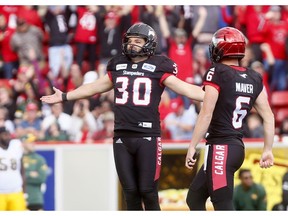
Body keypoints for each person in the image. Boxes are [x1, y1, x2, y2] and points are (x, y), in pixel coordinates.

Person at [40, 22, 204, 210]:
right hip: (122, 136)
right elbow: (95, 87)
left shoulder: (159, 65)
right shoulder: (118, 64)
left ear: (149, 43)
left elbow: (186, 89)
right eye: (130, 40)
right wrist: (64, 96)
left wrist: (213, 96)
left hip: (147, 136)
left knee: (148, 191)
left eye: (137, 40)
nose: (132, 44)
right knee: (130, 193)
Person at [185, 26, 275, 211]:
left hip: (221, 148)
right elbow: (268, 116)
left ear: (223, 48)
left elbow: (206, 112)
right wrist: (267, 149)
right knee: (194, 199)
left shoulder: (216, 71)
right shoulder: (253, 76)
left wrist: (192, 145)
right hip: (234, 147)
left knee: (223, 206)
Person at [0, 126, 27, 211]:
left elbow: (22, 170)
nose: (8, 137)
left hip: (16, 191)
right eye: (5, 135)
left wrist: (24, 192)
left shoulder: (16, 146)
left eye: (8, 135)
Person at [22, 133, 48, 210]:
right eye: (30, 142)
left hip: (35, 200)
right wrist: (30, 173)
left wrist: (24, 175)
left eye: (33, 142)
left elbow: (41, 178)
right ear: (23, 143)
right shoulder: (17, 157)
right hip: (19, 199)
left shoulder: (39, 159)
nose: (33, 144)